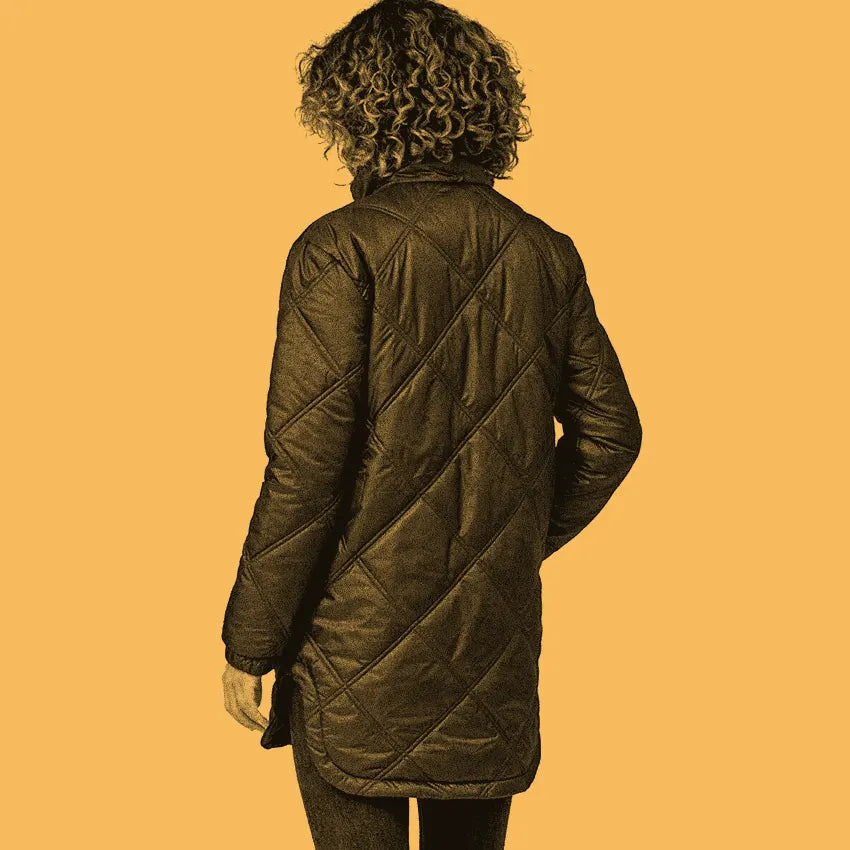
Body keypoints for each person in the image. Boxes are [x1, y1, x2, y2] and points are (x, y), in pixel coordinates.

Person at [220, 1, 642, 847]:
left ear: (354, 107)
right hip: (490, 640)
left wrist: (249, 640)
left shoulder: (339, 248)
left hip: (352, 642)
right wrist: (504, 540)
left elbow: (306, 468)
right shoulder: (544, 251)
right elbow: (611, 436)